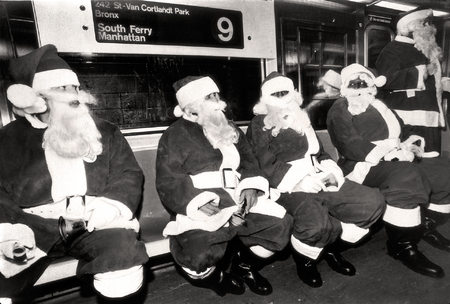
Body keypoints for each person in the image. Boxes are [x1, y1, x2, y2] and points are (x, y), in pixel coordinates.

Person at [0, 45, 149, 302]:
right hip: (32, 227)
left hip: (94, 219)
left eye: (75, 87)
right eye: (62, 89)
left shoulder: (107, 131)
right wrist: (11, 231)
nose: (74, 95)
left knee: (123, 254)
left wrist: (110, 208)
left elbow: (128, 174)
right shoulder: (8, 139)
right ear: (37, 98)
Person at [155, 75, 292, 296]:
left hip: (237, 197)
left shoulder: (229, 127)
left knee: (279, 225)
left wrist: (251, 186)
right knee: (197, 258)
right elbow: (168, 180)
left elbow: (249, 161)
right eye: (210, 97)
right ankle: (217, 279)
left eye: (217, 95)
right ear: (192, 105)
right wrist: (194, 203)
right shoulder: (174, 136)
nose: (219, 101)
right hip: (204, 200)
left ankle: (245, 267)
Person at [246, 72, 384, 288]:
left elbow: (318, 153)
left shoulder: (302, 116)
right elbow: (264, 164)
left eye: (287, 93)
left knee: (370, 203)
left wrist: (330, 169)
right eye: (277, 94)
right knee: (316, 223)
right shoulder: (259, 124)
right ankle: (306, 262)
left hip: (318, 175)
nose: (283, 98)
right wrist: (298, 181)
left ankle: (332, 248)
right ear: (266, 98)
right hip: (286, 186)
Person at [327, 63, 450, 279]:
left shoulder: (380, 105)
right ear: (346, 86)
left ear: (372, 84)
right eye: (354, 82)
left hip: (397, 155)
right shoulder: (339, 108)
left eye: (364, 81)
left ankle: (424, 226)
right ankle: (402, 246)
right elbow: (350, 144)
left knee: (442, 171)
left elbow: (403, 129)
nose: (360, 86)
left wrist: (412, 143)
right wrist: (387, 154)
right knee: (406, 176)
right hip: (362, 164)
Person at [376, 7, 450, 155]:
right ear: (408, 27)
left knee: (432, 161)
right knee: (413, 162)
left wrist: (444, 83)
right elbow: (385, 80)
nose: (430, 28)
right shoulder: (392, 50)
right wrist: (421, 72)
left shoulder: (424, 49)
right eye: (424, 24)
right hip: (408, 120)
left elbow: (431, 82)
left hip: (429, 118)